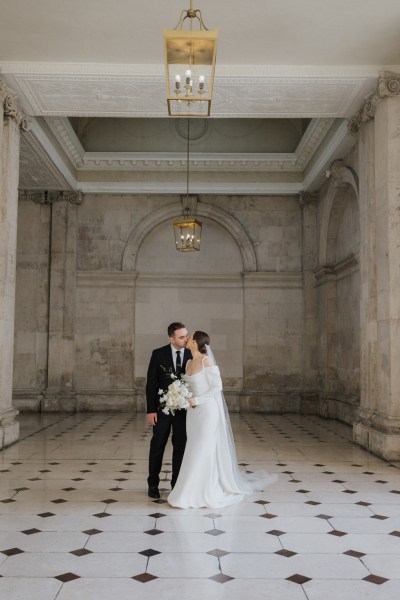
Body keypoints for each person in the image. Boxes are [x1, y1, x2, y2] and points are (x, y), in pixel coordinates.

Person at [168, 331, 276, 509]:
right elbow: (187, 387)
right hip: (193, 414)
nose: (186, 339)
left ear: (195, 342)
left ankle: (202, 492)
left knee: (203, 449)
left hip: (207, 412)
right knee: (193, 448)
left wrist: (197, 400)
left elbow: (217, 387)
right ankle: (188, 490)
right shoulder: (188, 362)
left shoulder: (206, 361)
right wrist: (179, 396)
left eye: (190, 337)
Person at [146, 322, 192, 499]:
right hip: (162, 409)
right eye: (181, 337)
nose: (186, 339)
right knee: (157, 446)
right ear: (171, 338)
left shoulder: (191, 354)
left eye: (186, 335)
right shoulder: (158, 354)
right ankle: (152, 484)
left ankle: (176, 484)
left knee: (180, 447)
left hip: (183, 411)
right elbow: (151, 384)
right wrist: (151, 410)